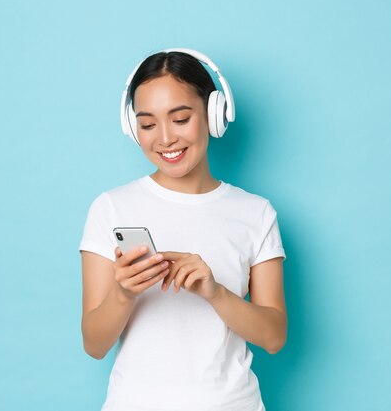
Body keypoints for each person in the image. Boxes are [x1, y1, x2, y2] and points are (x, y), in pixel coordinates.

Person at [78, 48, 287, 411]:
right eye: (147, 124)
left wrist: (215, 293)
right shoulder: (110, 208)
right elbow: (94, 344)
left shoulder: (256, 213)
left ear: (214, 113)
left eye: (180, 118)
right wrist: (124, 293)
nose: (165, 138)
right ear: (133, 128)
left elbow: (273, 337)